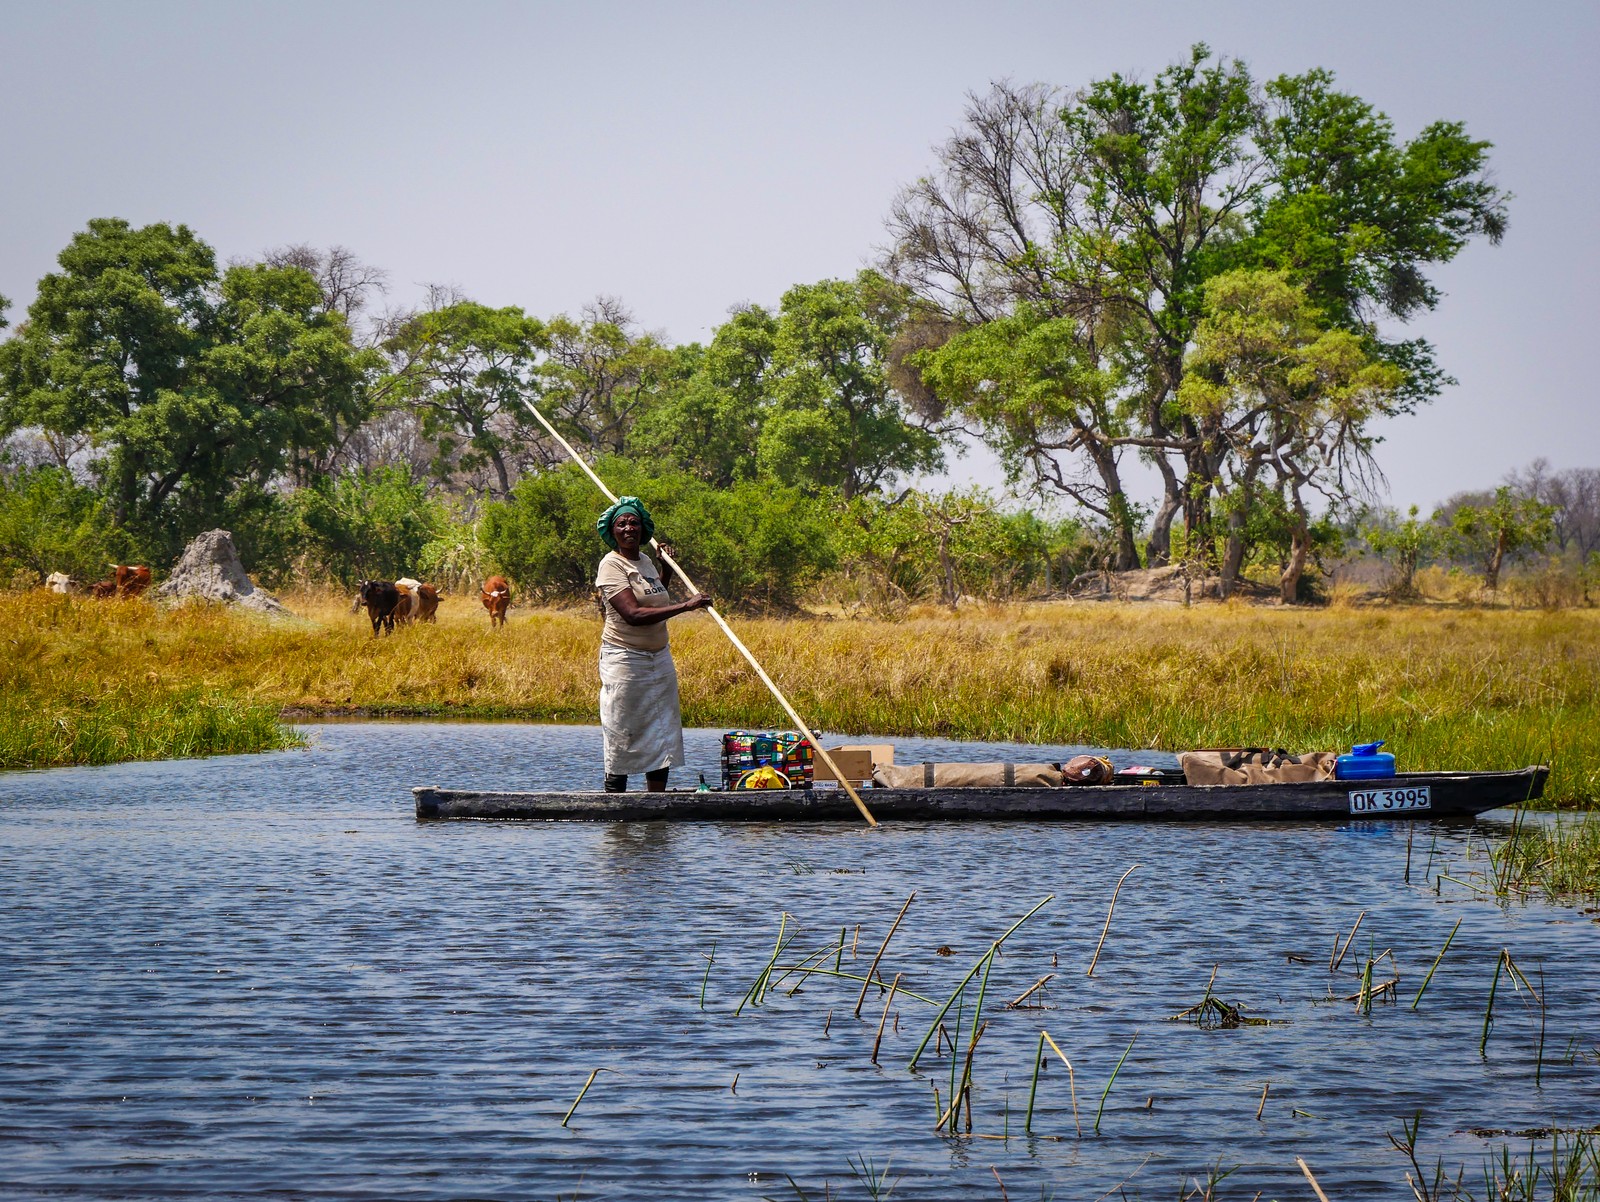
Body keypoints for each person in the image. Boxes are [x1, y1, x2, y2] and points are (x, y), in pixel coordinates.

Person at [593, 496, 712, 792]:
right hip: (625, 659)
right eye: (622, 524)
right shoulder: (611, 565)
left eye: (634, 522)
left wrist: (666, 569)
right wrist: (687, 606)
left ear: (643, 528)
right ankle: (615, 801)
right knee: (623, 728)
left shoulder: (644, 561)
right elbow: (633, 614)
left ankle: (655, 802)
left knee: (662, 729)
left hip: (659, 658)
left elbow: (655, 595)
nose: (629, 528)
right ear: (613, 531)